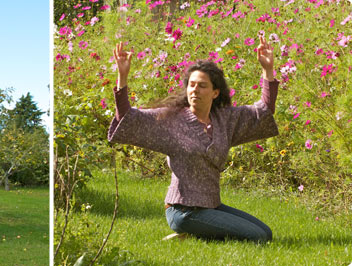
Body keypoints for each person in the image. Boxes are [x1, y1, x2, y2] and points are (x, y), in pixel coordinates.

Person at [107, 36, 279, 242]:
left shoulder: (225, 119)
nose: (195, 89)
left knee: (266, 233)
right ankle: (192, 230)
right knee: (257, 237)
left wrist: (267, 71)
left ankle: (194, 236)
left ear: (215, 92)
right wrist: (122, 77)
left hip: (210, 205)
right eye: (191, 85)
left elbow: (263, 112)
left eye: (202, 86)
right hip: (182, 211)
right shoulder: (170, 120)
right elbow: (129, 119)